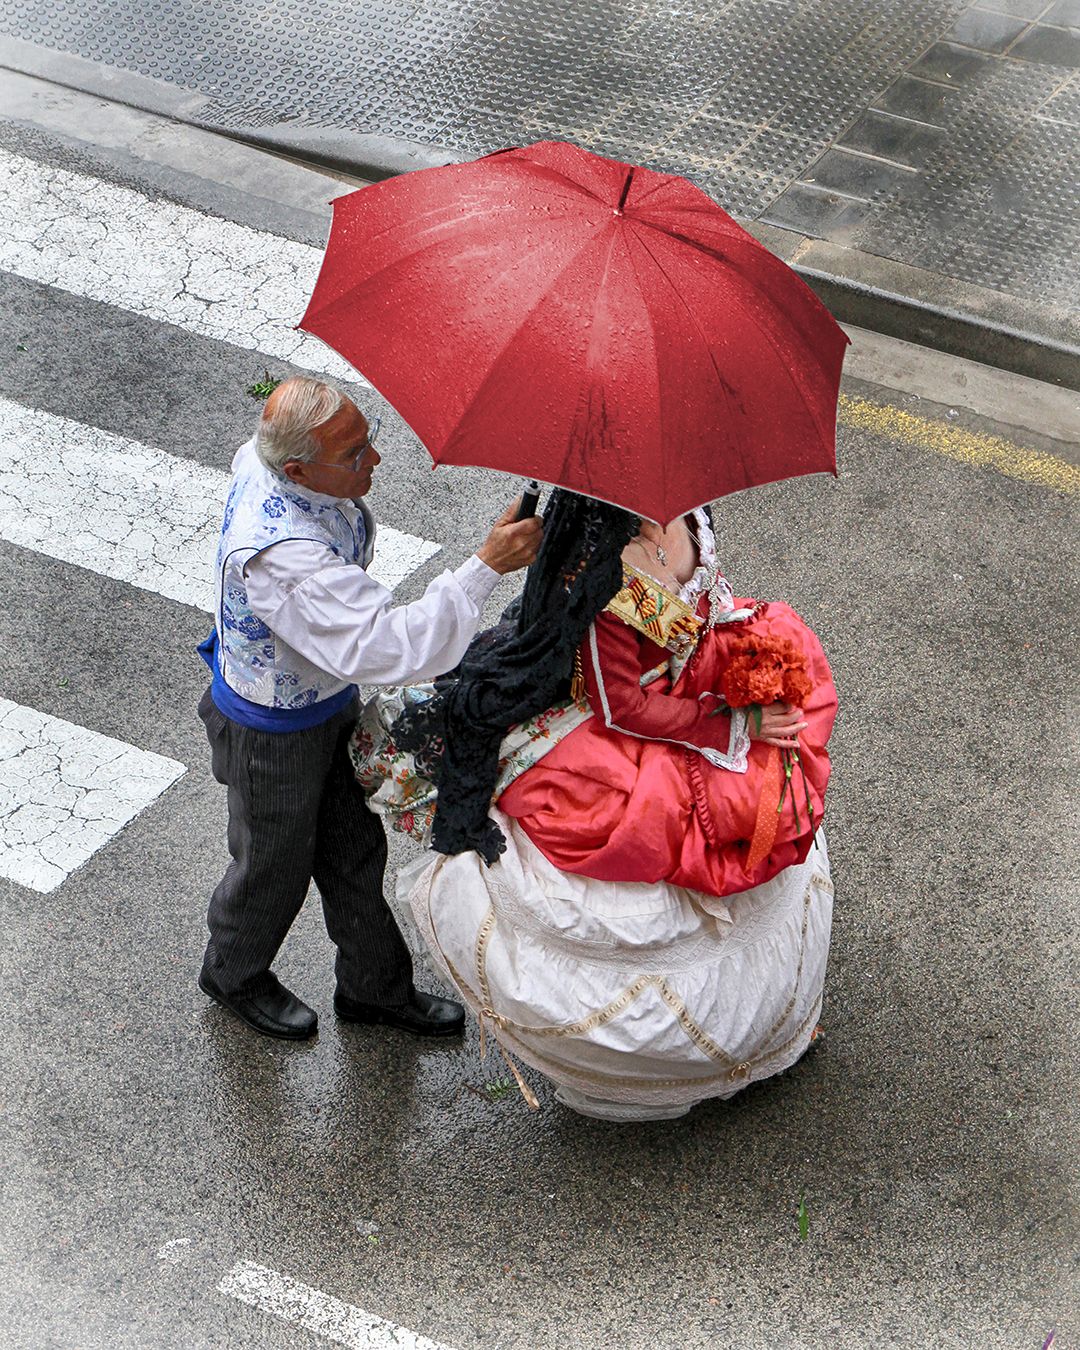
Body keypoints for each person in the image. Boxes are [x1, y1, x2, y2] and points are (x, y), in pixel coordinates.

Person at [352, 490, 837, 1119]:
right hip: (622, 728)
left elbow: (706, 608)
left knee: (770, 779)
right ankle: (642, 1071)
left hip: (686, 683)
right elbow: (623, 707)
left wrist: (732, 675)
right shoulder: (599, 562)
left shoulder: (693, 511)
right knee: (670, 821)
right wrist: (730, 727)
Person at [196, 375, 541, 1041]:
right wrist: (486, 567)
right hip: (273, 734)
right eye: (355, 455)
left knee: (354, 848)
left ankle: (373, 988)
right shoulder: (284, 559)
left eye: (367, 440)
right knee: (273, 865)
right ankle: (232, 972)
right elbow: (386, 645)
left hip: (321, 702)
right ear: (296, 468)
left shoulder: (272, 462)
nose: (374, 461)